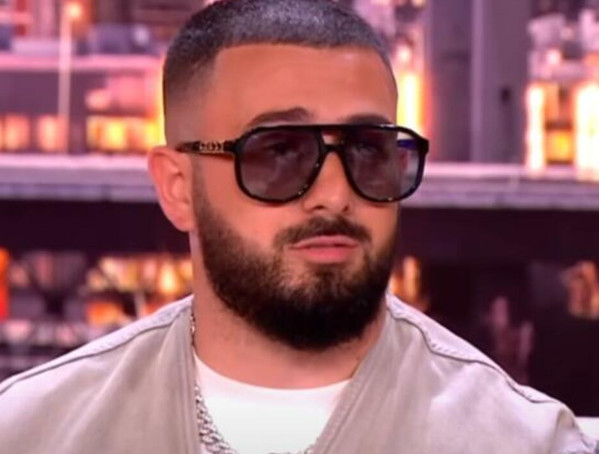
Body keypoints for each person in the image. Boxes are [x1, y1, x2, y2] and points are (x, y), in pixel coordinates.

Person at [0, 1, 596, 452]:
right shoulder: (35, 432)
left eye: (367, 150)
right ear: (178, 187)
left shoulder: (520, 441)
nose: (335, 194)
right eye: (280, 152)